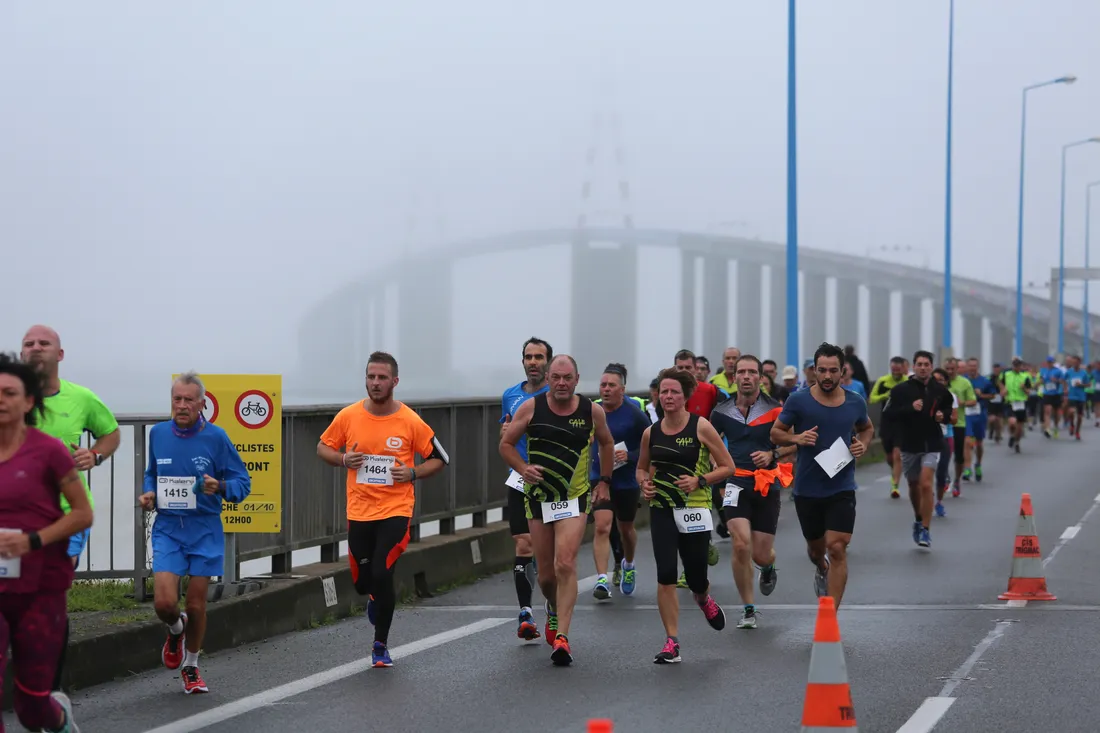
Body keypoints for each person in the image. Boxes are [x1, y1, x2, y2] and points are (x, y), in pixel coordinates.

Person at [318, 352, 449, 668]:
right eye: (371, 377)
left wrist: (413, 472)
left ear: (395, 381)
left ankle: (380, 645)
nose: (375, 383)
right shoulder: (349, 416)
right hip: (359, 510)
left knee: (381, 570)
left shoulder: (409, 420)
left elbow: (440, 458)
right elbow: (323, 446)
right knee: (364, 583)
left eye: (381, 378)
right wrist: (341, 459)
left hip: (396, 509)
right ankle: (374, 599)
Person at [20, 324, 121, 695]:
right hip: (12, 519)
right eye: (28, 343)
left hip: (67, 516)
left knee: (49, 599)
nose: (36, 348)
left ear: (59, 355)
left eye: (44, 343)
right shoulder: (8, 397)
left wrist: (95, 454)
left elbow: (111, 433)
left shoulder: (81, 398)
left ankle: (51, 688)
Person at [141, 371, 252, 692]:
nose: (182, 405)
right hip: (168, 528)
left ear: (202, 403)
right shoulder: (158, 434)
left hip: (204, 529)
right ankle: (176, 630)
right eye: (177, 399)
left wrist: (221, 487)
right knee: (164, 603)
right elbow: (152, 474)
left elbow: (243, 484)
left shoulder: (217, 438)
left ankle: (191, 666)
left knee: (196, 604)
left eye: (189, 400)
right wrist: (148, 493)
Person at [500, 354, 614, 666]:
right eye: (556, 378)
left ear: (577, 380)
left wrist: (603, 481)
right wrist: (523, 468)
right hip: (538, 498)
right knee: (547, 575)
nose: (561, 383)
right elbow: (506, 445)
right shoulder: (530, 408)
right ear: (548, 379)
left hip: (574, 498)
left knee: (565, 563)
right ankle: (552, 606)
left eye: (567, 378)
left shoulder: (591, 411)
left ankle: (562, 636)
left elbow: (606, 444)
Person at [0, 353, 92, 733]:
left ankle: (61, 719)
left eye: (9, 392)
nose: (1, 400)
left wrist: (32, 540)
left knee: (31, 706)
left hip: (40, 588)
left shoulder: (48, 451)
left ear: (29, 402)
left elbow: (82, 514)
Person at [636, 368, 734, 663]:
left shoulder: (701, 427)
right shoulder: (650, 433)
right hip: (662, 509)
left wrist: (699, 481)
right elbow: (641, 468)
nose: (667, 397)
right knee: (665, 574)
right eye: (663, 391)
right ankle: (672, 642)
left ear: (685, 396)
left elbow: (727, 466)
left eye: (673, 392)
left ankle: (703, 598)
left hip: (695, 510)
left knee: (695, 577)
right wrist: (644, 484)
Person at [770, 343, 873, 608]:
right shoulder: (799, 400)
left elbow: (867, 427)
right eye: (822, 370)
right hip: (808, 489)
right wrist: (796, 437)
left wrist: (863, 443)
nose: (827, 376)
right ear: (814, 371)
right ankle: (820, 566)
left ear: (842, 372)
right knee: (817, 550)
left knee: (837, 547)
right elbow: (775, 433)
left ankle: (830, 616)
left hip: (842, 487)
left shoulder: (855, 401)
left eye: (833, 371)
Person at [709, 355, 795, 629]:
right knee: (740, 543)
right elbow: (710, 444)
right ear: (733, 377)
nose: (746, 376)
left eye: (751, 372)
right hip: (736, 482)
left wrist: (773, 453)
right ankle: (748, 608)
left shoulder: (776, 408)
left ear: (761, 377)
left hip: (766, 483)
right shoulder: (721, 411)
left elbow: (795, 442)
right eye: (741, 372)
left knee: (760, 553)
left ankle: (767, 567)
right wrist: (719, 476)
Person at [498, 337, 551, 641]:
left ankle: (553, 603)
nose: (533, 362)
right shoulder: (510, 395)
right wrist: (504, 431)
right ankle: (525, 613)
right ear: (522, 361)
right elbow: (504, 433)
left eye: (539, 357)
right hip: (519, 477)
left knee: (548, 556)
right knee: (523, 544)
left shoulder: (556, 395)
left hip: (550, 481)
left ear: (548, 362)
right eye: (529, 357)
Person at [882, 352, 955, 548]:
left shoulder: (940, 391)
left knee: (925, 485)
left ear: (931, 367)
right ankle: (917, 518)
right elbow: (888, 414)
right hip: (909, 444)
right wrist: (909, 408)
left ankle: (925, 529)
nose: (923, 367)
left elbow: (949, 412)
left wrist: (943, 416)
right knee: (913, 486)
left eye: (926, 364)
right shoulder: (900, 391)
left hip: (932, 443)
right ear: (913, 366)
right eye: (919, 364)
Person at [589, 363, 649, 599]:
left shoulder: (635, 414)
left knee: (626, 529)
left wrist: (631, 455)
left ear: (622, 389)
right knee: (602, 526)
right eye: (603, 385)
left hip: (626, 481)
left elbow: (650, 443)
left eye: (611, 385)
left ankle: (629, 564)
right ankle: (601, 579)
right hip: (599, 477)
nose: (606, 389)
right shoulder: (593, 411)